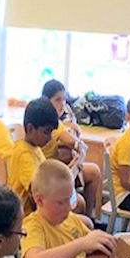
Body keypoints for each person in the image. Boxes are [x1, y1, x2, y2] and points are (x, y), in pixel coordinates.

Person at [41, 80, 103, 222]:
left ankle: (88, 218)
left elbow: (73, 142)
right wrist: (76, 146)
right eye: (57, 100)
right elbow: (75, 143)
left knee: (93, 171)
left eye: (64, 99)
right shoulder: (54, 125)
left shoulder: (60, 123)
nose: (62, 104)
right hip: (50, 173)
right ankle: (78, 222)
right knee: (79, 200)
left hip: (59, 168)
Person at [7, 97, 51, 215]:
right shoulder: (24, 154)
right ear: (30, 128)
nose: (50, 138)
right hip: (25, 216)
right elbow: (37, 191)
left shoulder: (35, 148)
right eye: (46, 132)